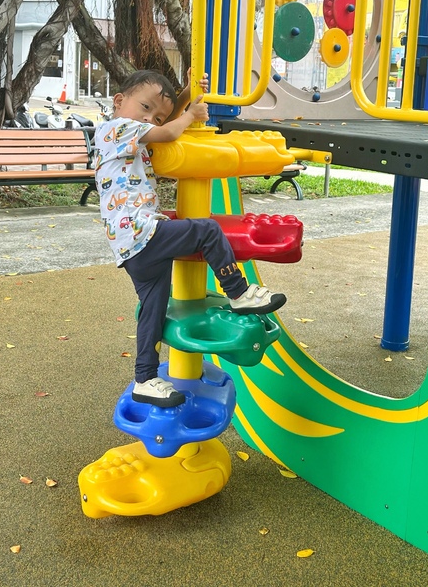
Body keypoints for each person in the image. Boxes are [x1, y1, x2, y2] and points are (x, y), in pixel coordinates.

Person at [94, 69, 287, 408]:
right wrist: (191, 115)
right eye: (144, 107)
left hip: (131, 245)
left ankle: (144, 379)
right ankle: (239, 293)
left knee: (153, 312)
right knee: (207, 230)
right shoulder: (116, 128)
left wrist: (186, 93)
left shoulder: (127, 130)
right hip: (142, 231)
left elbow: (165, 120)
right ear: (119, 101)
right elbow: (168, 131)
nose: (149, 118)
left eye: (155, 114)